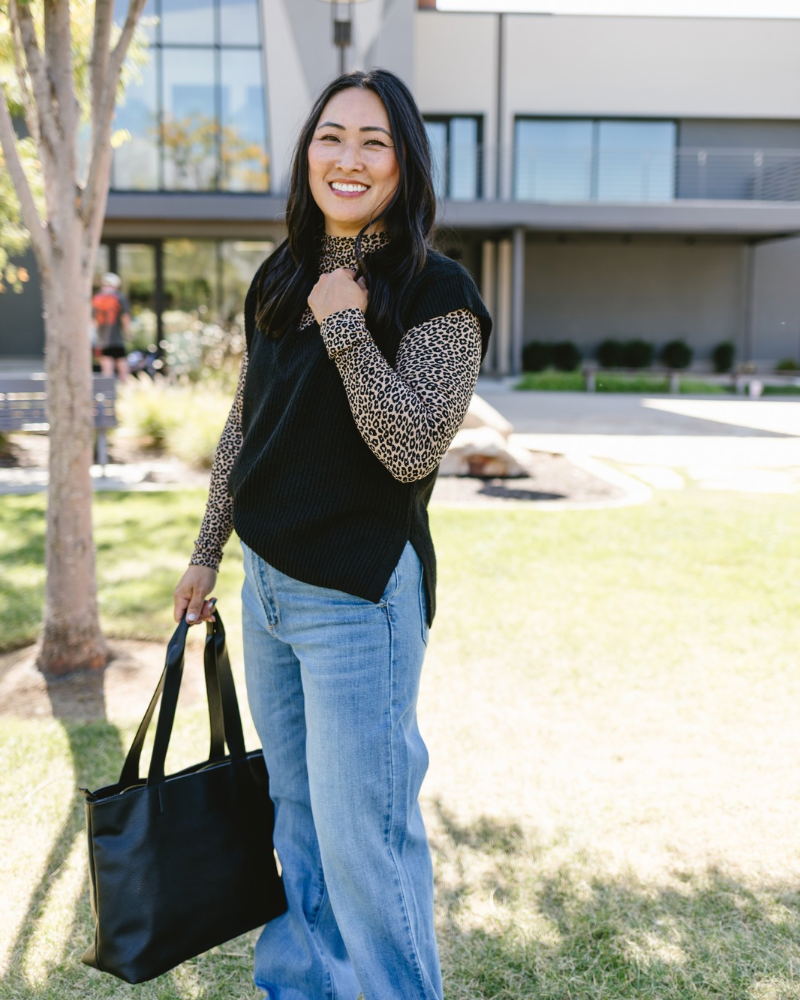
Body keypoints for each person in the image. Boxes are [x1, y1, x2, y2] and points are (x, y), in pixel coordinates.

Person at [172, 68, 492, 1000]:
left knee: (367, 837)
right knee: (298, 818)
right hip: (266, 590)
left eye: (374, 142)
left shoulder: (437, 290)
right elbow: (247, 424)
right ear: (309, 150)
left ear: (404, 165)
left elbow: (410, 448)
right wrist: (205, 549)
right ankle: (299, 990)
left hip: (358, 600)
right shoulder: (281, 273)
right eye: (331, 137)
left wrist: (350, 330)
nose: (348, 160)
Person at [91, 272, 131, 381]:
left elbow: (93, 319)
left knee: (106, 363)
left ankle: (108, 387)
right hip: (116, 337)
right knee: (121, 360)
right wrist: (128, 332)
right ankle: (124, 385)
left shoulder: (97, 298)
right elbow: (125, 317)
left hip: (102, 338)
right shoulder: (120, 297)